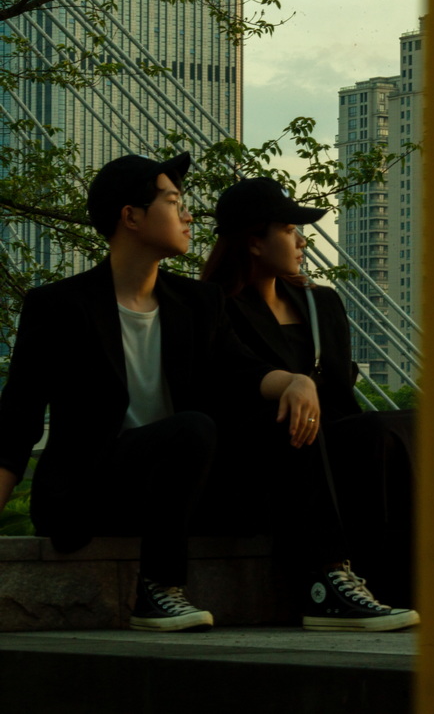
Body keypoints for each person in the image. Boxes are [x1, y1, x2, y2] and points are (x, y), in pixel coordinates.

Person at [0, 153, 321, 633]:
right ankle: (158, 590)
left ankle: (329, 582)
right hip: (94, 494)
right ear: (131, 216)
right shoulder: (60, 306)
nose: (189, 215)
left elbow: (241, 370)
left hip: (186, 490)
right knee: (191, 428)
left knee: (290, 417)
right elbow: (16, 423)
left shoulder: (198, 302)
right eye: (174, 202)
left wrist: (296, 381)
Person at [201, 176, 419, 629]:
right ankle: (327, 583)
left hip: (328, 440)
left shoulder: (321, 304)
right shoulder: (214, 307)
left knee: (410, 424)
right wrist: (291, 385)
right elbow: (226, 384)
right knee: (306, 420)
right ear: (254, 242)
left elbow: (340, 395)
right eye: (288, 230)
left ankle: (407, 580)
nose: (302, 241)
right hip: (262, 453)